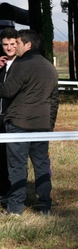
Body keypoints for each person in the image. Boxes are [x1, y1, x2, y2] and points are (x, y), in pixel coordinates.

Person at [0, 29, 59, 216]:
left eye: (17, 43)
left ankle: (16, 208)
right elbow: (54, 101)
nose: (14, 46)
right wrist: (49, 125)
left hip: (19, 124)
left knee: (17, 166)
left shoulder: (21, 64)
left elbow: (7, 91)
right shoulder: (50, 67)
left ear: (28, 45)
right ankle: (45, 206)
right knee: (41, 165)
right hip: (41, 126)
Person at [0, 27, 18, 205]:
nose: (9, 47)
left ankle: (15, 192)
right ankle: (3, 190)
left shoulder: (22, 64)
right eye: (5, 44)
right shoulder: (1, 64)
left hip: (14, 117)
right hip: (0, 117)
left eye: (12, 44)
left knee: (13, 157)